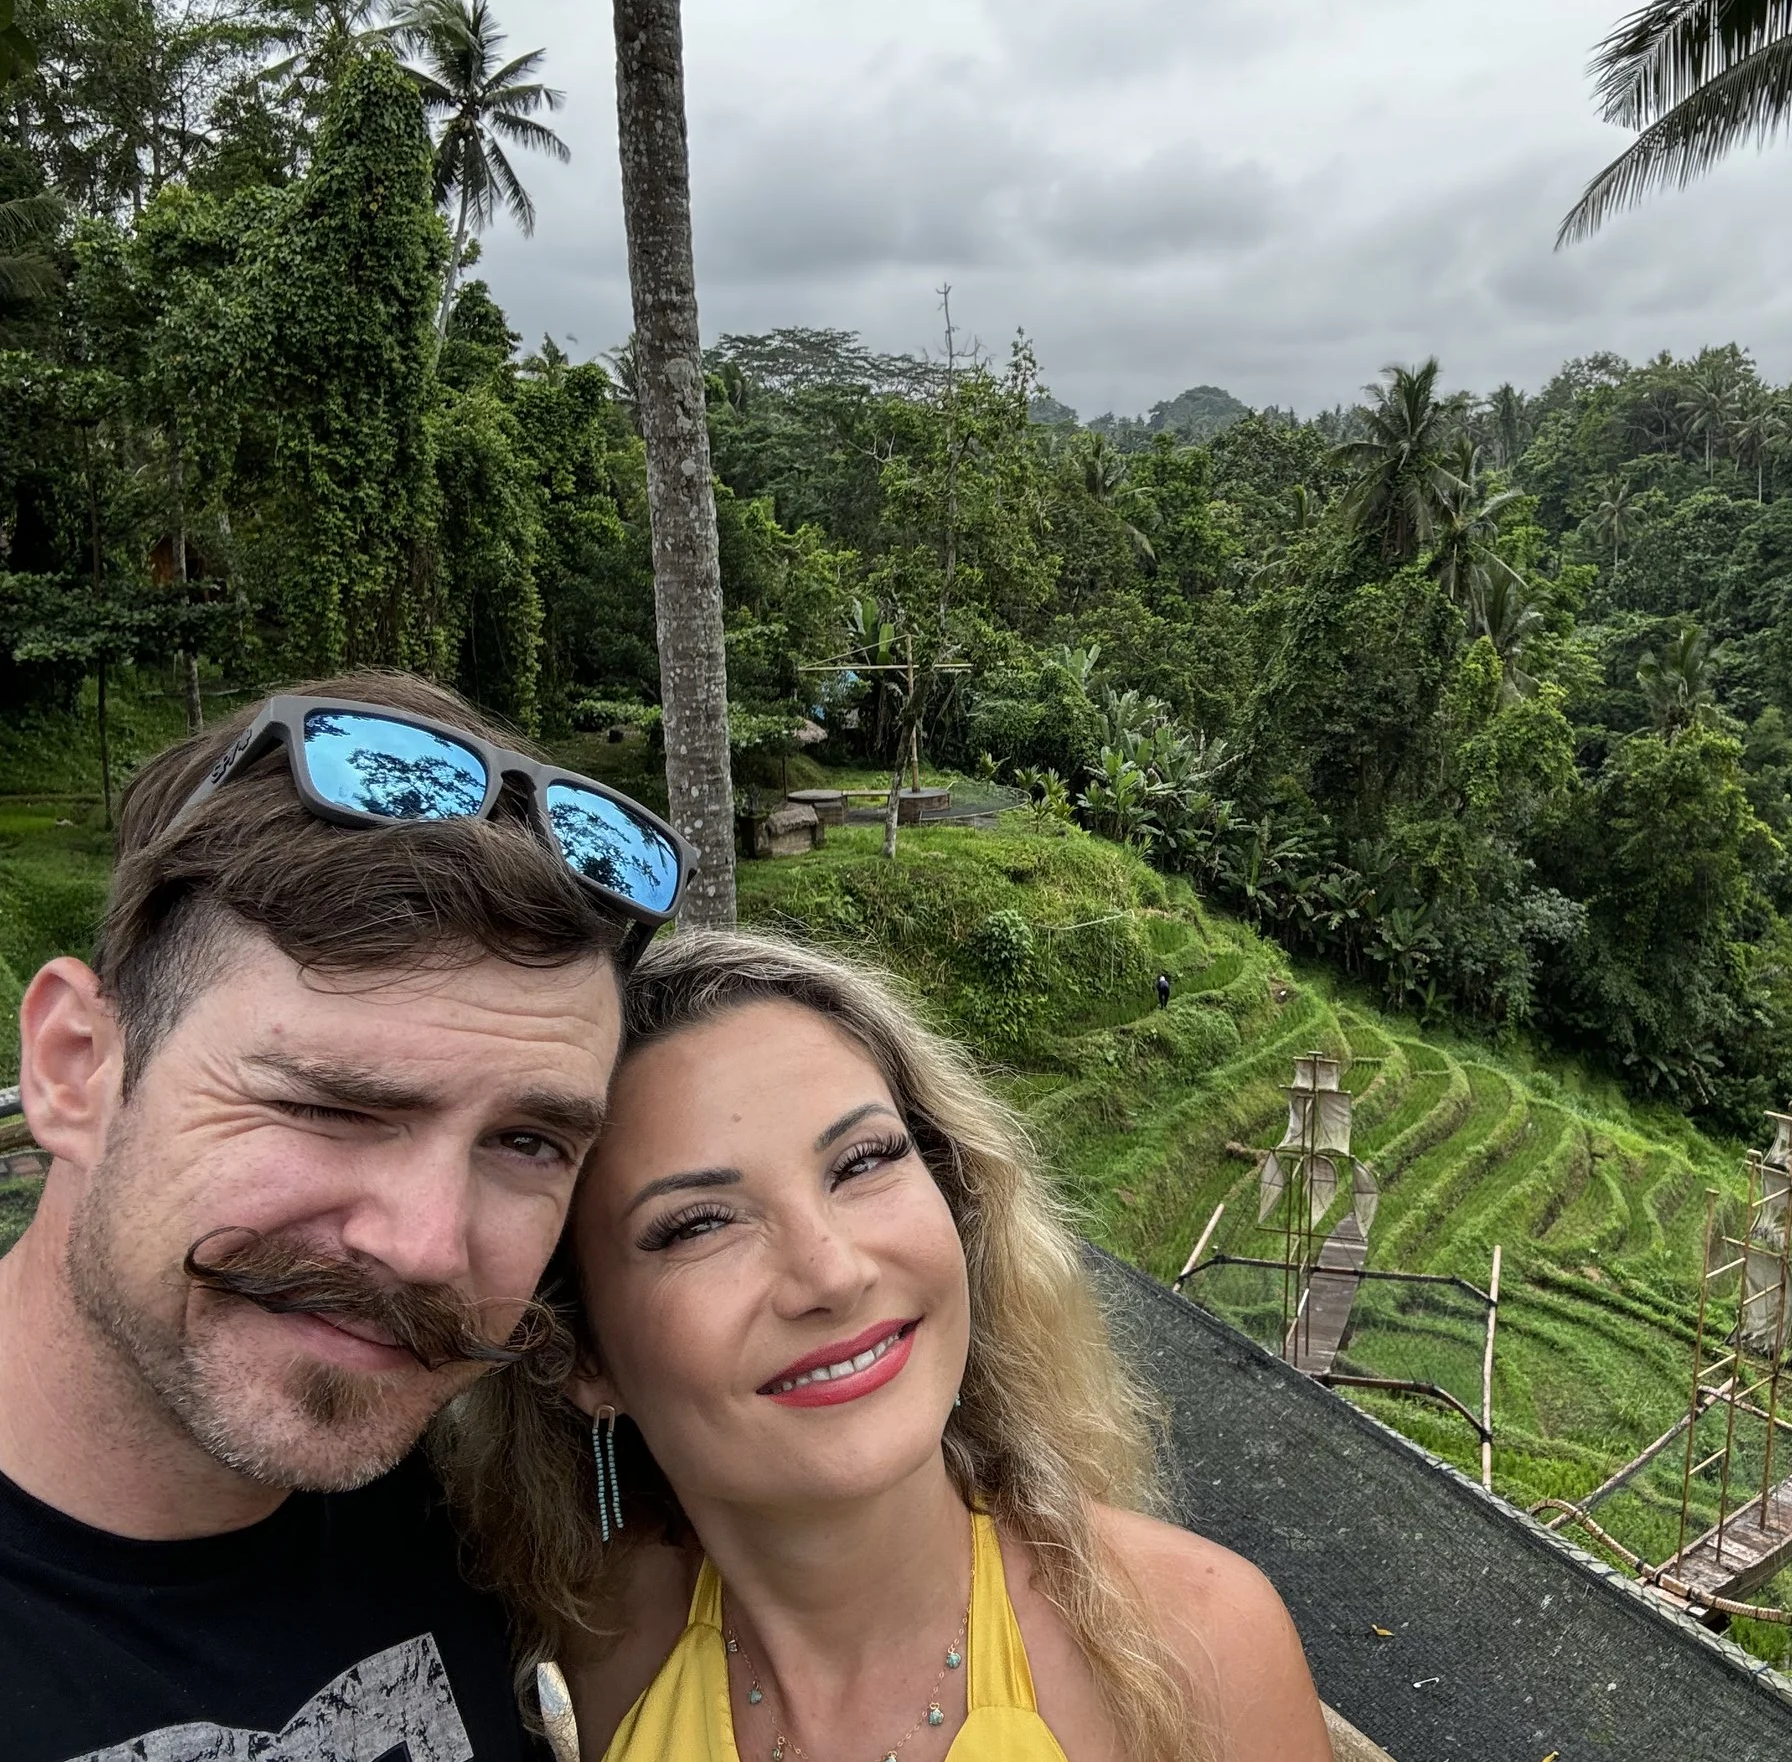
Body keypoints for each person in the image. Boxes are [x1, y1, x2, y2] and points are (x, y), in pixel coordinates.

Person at [0, 672, 687, 1762]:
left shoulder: (490, 1525)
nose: (423, 1248)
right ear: (73, 1069)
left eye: (526, 1143)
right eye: (329, 1104)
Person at [434, 929, 1332, 1762]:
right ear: (579, 1354)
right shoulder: (601, 1645)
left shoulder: (1196, 1647)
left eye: (862, 1162)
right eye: (700, 1222)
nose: (831, 1273)